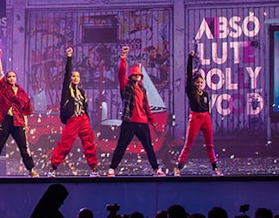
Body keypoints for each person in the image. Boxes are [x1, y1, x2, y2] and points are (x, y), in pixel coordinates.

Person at [106, 45, 166, 176]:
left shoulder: (143, 89)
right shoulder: (126, 86)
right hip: (129, 121)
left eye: (139, 75)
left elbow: (146, 107)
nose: (138, 76)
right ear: (132, 75)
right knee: (121, 145)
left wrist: (152, 121)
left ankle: (156, 169)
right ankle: (112, 168)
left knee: (148, 146)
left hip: (142, 122)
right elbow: (121, 74)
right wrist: (123, 58)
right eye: (136, 74)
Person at [0, 48, 37, 177]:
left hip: (18, 121)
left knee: (23, 147)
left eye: (13, 76)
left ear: (16, 78)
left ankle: (31, 169)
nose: (11, 78)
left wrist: (25, 124)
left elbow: (25, 111)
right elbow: (0, 72)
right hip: (6, 120)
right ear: (7, 79)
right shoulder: (4, 88)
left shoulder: (22, 93)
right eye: (9, 76)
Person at [48, 47, 99, 176]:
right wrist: (69, 57)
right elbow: (67, 72)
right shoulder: (67, 89)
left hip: (83, 119)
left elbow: (84, 106)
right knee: (65, 144)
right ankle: (53, 168)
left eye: (78, 76)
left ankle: (93, 169)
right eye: (74, 76)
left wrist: (86, 118)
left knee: (89, 143)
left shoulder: (82, 92)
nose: (76, 78)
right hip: (73, 119)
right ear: (71, 78)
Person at [174, 50, 221, 176]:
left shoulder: (205, 94)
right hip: (195, 117)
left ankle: (215, 167)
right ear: (194, 83)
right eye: (197, 82)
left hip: (205, 117)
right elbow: (189, 75)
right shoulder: (191, 91)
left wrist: (208, 117)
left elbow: (207, 106)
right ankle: (178, 167)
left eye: (201, 82)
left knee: (210, 144)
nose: (199, 84)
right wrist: (190, 58)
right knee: (188, 144)